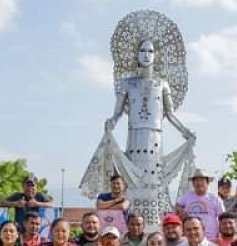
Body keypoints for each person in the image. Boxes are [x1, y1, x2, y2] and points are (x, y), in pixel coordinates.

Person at [80, 27, 196, 230]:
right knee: (133, 183)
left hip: (155, 137)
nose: (146, 55)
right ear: (136, 54)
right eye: (142, 51)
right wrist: (111, 123)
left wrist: (185, 131)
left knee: (153, 183)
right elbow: (117, 112)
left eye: (150, 51)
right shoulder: (127, 83)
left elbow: (169, 115)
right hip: (134, 137)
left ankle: (153, 226)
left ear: (156, 55)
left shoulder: (162, 84)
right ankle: (131, 224)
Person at [175, 169, 225, 240]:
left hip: (211, 238)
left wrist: (221, 234)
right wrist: (180, 210)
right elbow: (177, 206)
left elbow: (222, 218)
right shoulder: (186, 197)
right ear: (193, 183)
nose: (199, 183)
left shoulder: (215, 199)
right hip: (191, 237)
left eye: (202, 180)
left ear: (207, 183)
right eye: (196, 180)